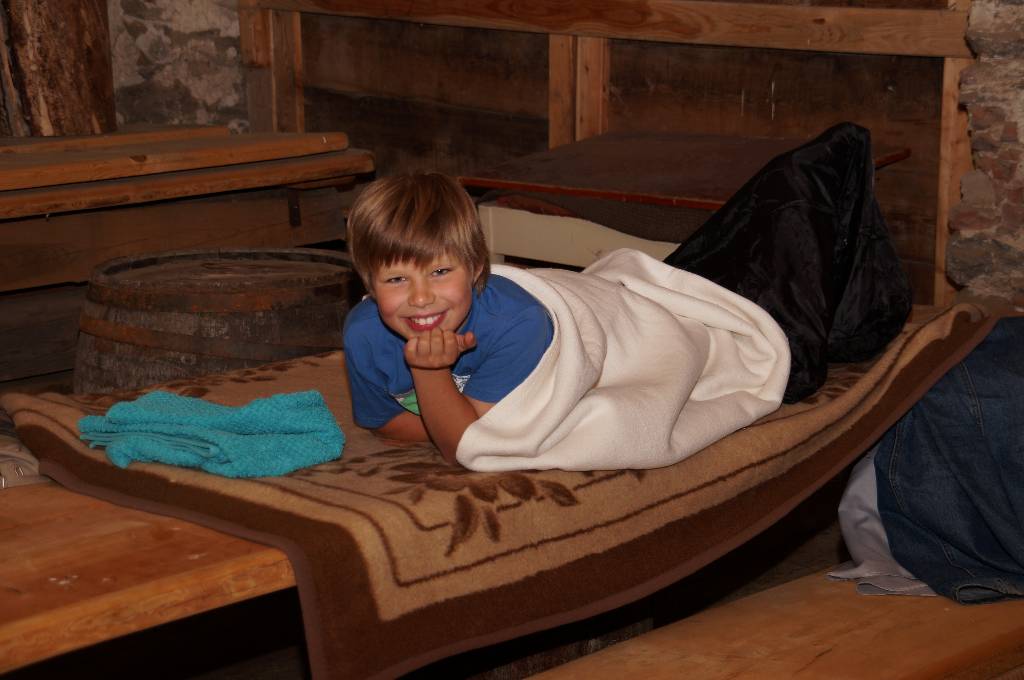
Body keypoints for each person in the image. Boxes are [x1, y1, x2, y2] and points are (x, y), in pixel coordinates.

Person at [342, 172, 553, 464]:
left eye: (440, 272)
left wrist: (429, 370)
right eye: (396, 279)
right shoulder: (363, 334)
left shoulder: (518, 324)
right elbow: (383, 424)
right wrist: (460, 425)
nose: (420, 298)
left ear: (475, 267)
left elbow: (466, 446)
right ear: (370, 286)